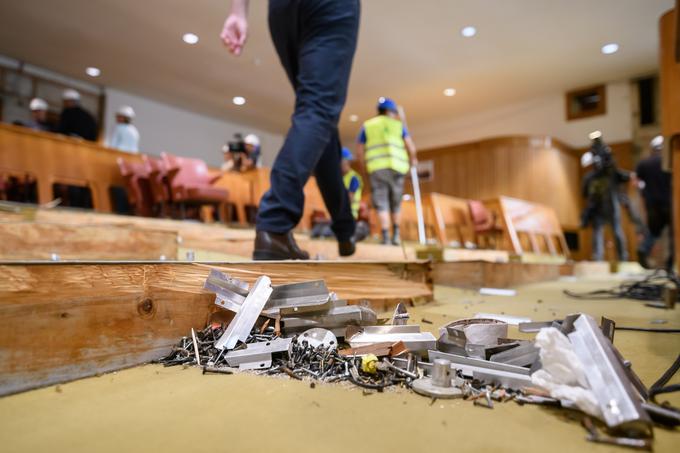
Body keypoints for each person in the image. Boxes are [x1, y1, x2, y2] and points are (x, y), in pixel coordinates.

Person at [221, 0, 360, 260]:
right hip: (328, 7)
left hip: (282, 10)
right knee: (318, 109)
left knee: (318, 113)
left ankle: (345, 227)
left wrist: (238, 12)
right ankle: (274, 223)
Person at [356, 97, 417, 245]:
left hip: (377, 169)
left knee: (381, 202)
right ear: (391, 111)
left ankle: (386, 236)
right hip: (398, 168)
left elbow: (359, 150)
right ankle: (396, 234)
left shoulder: (368, 125)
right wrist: (413, 159)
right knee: (396, 202)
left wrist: (364, 167)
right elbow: (411, 147)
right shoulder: (398, 125)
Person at [580, 132, 629, 261]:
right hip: (597, 206)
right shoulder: (590, 177)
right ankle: (598, 258)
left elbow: (622, 176)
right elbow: (585, 192)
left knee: (615, 231)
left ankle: (621, 257)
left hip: (610, 203)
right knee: (599, 232)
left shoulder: (609, 170)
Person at [635, 135, 673, 269]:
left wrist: (644, 194)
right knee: (673, 233)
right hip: (669, 203)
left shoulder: (644, 164)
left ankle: (644, 249)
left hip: (652, 204)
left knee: (653, 231)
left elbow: (637, 183)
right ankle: (670, 263)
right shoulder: (670, 161)